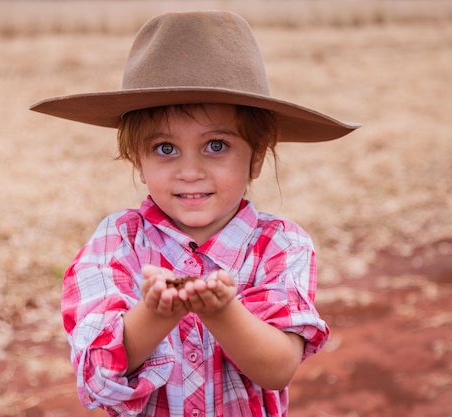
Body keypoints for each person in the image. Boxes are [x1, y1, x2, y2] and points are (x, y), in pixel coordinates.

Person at [30, 10, 359, 417]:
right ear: (138, 160)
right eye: (165, 148)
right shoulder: (118, 240)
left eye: (216, 145)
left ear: (256, 157)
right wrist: (154, 314)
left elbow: (278, 368)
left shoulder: (280, 243)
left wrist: (222, 312)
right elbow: (97, 381)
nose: (189, 171)